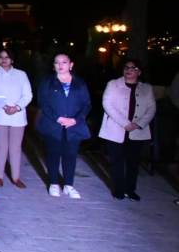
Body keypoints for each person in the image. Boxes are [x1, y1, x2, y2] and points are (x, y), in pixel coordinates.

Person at [98, 58, 156, 201]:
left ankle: (130, 189)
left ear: (139, 72)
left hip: (137, 132)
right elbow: (107, 104)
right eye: (126, 67)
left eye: (133, 68)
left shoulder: (146, 89)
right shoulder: (113, 84)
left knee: (133, 162)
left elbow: (151, 108)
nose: (129, 70)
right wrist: (125, 123)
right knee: (116, 161)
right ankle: (118, 189)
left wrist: (138, 124)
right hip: (116, 129)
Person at [36, 52, 92, 199]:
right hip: (53, 125)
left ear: (71, 64)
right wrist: (58, 118)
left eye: (64, 62)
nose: (60, 65)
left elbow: (86, 104)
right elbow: (43, 103)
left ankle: (69, 185)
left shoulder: (80, 83)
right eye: (57, 62)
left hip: (73, 126)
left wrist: (76, 120)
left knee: (71, 155)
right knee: (53, 154)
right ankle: (53, 183)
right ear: (54, 66)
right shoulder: (47, 82)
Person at [0, 49, 33, 188]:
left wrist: (16, 107)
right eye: (1, 57)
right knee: (0, 146)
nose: (4, 60)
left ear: (12, 59)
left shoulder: (21, 75)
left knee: (15, 148)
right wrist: (4, 106)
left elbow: (28, 95)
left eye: (7, 57)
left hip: (17, 116)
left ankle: (16, 177)